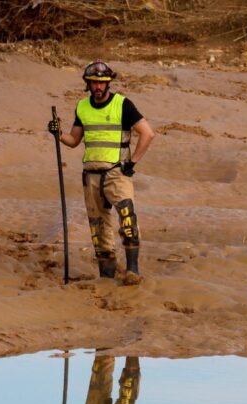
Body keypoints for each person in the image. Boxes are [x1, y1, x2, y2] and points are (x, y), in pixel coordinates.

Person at [48, 59, 155, 284]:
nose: (98, 86)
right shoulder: (82, 107)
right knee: (98, 226)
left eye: (102, 82)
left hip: (117, 172)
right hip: (91, 176)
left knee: (127, 217)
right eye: (94, 82)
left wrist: (132, 162)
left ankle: (132, 270)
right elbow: (74, 140)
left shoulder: (123, 104)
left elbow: (147, 134)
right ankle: (106, 275)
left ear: (109, 83)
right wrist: (58, 133)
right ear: (88, 83)